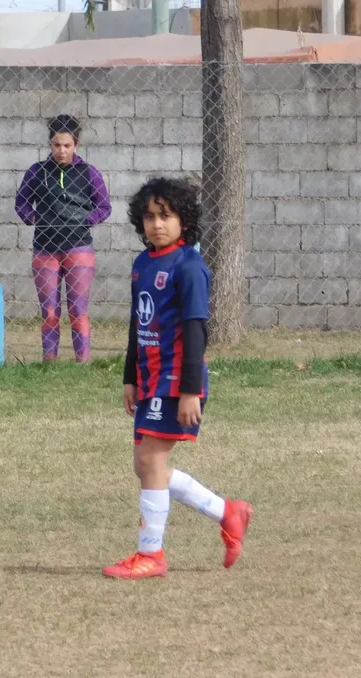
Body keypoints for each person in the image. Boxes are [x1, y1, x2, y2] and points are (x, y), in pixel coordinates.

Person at [102, 177, 253, 580]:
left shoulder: (189, 266)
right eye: (149, 217)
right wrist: (129, 377)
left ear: (184, 220)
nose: (157, 224)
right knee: (146, 467)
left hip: (176, 381)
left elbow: (196, 331)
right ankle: (228, 512)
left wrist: (190, 391)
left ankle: (151, 554)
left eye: (165, 216)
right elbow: (139, 324)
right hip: (150, 379)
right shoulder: (142, 264)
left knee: (152, 460)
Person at [15, 114, 111, 363]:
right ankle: (50, 362)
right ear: (50, 145)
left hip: (78, 247)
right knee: (49, 311)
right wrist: (32, 218)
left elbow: (104, 207)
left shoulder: (89, 173)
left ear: (76, 146)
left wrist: (86, 220)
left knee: (78, 310)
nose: (61, 150)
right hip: (45, 248)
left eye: (67, 145)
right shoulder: (37, 172)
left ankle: (82, 362)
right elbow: (21, 202)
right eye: (57, 145)